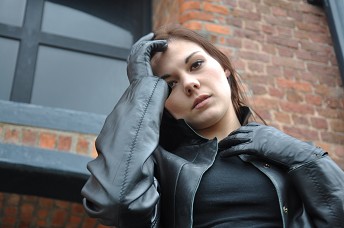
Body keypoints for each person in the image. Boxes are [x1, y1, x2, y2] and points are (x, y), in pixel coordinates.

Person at [81, 24, 344, 228]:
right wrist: (142, 87)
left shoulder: (283, 158)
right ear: (161, 105)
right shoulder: (159, 169)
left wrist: (304, 157)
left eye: (196, 65)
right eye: (169, 85)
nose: (189, 84)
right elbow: (114, 201)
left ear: (224, 67)